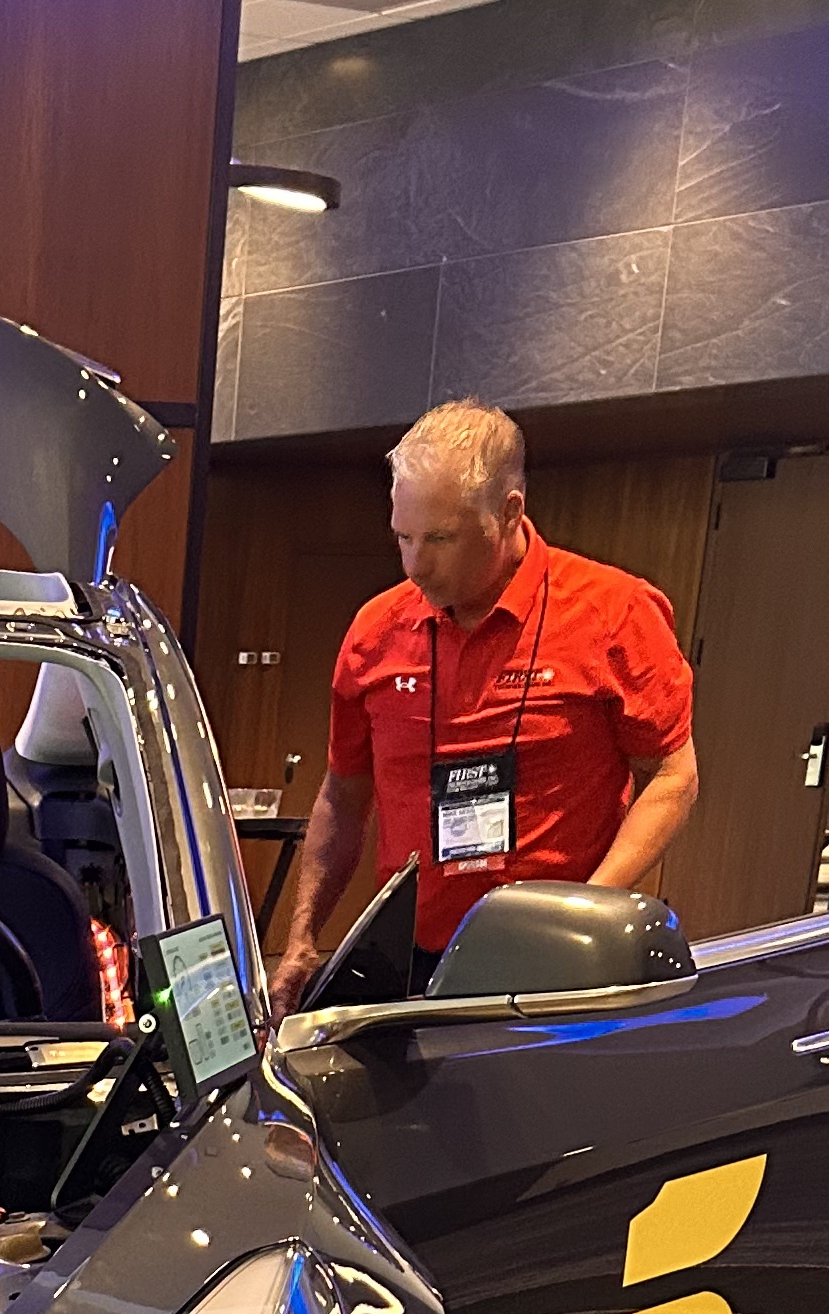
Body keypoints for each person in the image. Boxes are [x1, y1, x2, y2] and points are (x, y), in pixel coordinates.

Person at [267, 400, 698, 1019]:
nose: (415, 565)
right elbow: (343, 792)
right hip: (413, 961)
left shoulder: (614, 611)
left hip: (561, 961)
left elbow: (672, 776)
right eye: (404, 537)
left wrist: (590, 907)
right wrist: (302, 939)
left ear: (510, 512)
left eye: (440, 538)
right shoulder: (376, 630)